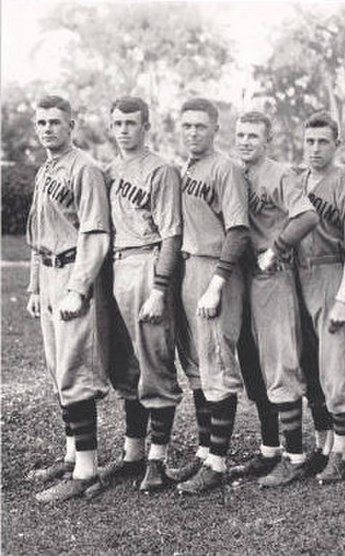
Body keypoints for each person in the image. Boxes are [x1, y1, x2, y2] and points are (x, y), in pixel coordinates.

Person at [25, 95, 111, 502]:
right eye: (41, 122)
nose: (47, 128)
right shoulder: (47, 168)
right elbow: (37, 231)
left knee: (75, 373)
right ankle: (72, 453)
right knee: (59, 370)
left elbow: (95, 234)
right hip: (49, 271)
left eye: (55, 122)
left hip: (75, 272)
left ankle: (87, 471)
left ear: (71, 125)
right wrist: (34, 286)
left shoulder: (85, 169)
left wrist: (78, 288)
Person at [101, 96, 183, 493]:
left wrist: (160, 289)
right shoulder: (110, 169)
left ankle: (157, 460)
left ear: (146, 126)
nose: (124, 130)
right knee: (126, 367)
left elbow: (171, 235)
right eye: (117, 123)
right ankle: (133, 454)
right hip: (118, 266)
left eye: (131, 123)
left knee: (155, 365)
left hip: (148, 262)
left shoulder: (161, 170)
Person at [235, 111, 320, 487]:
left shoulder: (280, 174)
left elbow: (307, 217)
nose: (246, 141)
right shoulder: (236, 174)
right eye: (240, 135)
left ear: (267, 140)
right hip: (244, 278)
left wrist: (277, 248)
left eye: (254, 136)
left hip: (273, 277)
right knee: (253, 365)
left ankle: (296, 456)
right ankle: (269, 449)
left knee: (281, 364)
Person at [170, 98, 250, 494]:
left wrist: (217, 283)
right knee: (198, 369)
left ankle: (218, 463)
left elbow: (238, 231)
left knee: (218, 366)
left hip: (214, 270)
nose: (192, 132)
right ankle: (204, 453)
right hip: (188, 267)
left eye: (200, 126)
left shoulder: (226, 168)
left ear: (215, 129)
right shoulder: (185, 167)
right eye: (186, 125)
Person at [295, 111, 345, 483]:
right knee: (307, 365)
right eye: (309, 141)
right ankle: (322, 445)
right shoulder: (296, 182)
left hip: (332, 272)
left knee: (337, 366)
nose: (315, 148)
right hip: (298, 276)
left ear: (337, 144)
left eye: (323, 141)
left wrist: (344, 297)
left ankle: (341, 452)